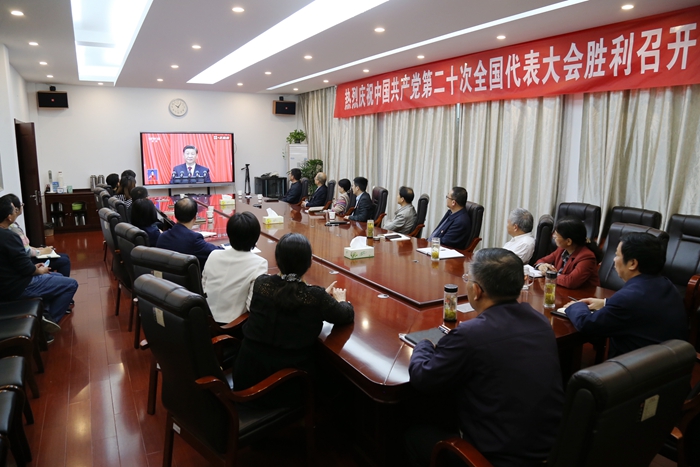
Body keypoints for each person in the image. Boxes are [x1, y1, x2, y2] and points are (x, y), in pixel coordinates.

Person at [406, 248, 563, 467]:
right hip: (551, 451)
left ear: (476, 290)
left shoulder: (470, 335)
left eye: (468, 279)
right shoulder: (541, 322)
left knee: (412, 433)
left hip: (495, 460)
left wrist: (424, 344)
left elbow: (423, 377)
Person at [233, 233, 354, 406]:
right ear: (309, 262)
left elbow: (286, 295)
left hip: (245, 375)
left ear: (277, 260)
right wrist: (339, 301)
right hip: (281, 387)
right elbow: (345, 315)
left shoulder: (261, 284)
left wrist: (316, 297)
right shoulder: (315, 297)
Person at [563, 232, 686, 357]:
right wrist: (605, 303)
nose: (614, 259)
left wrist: (576, 306)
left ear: (632, 263)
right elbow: (641, 308)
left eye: (617, 255)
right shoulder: (666, 285)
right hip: (668, 362)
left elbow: (587, 325)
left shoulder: (628, 298)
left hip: (635, 365)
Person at [0, 198, 78, 331]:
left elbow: (15, 264)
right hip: (17, 287)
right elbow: (26, 268)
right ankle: (47, 325)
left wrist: (33, 267)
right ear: (9, 217)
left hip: (8, 283)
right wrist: (40, 271)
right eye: (14, 209)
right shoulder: (9, 237)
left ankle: (44, 313)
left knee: (58, 276)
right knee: (71, 284)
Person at [202, 212, 268, 324]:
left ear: (229, 234)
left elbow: (203, 286)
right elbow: (251, 306)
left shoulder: (214, 254)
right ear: (256, 237)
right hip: (232, 326)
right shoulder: (259, 264)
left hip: (204, 319)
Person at [3, 194, 72, 278]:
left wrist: (39, 249)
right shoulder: (13, 228)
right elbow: (26, 252)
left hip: (27, 259)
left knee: (65, 256)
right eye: (21, 204)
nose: (22, 206)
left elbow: (25, 246)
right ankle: (61, 282)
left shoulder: (14, 225)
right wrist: (43, 252)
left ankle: (58, 280)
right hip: (27, 262)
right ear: (15, 210)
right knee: (64, 261)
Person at [535, 217, 602, 289]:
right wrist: (541, 266)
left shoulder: (587, 257)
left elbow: (571, 281)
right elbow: (541, 260)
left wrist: (550, 274)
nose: (553, 237)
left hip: (584, 294)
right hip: (563, 290)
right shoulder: (561, 249)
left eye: (556, 235)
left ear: (568, 241)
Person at [156, 197, 222, 268]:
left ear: (175, 215)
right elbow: (217, 252)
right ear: (195, 217)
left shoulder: (162, 237)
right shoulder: (194, 239)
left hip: (168, 275)